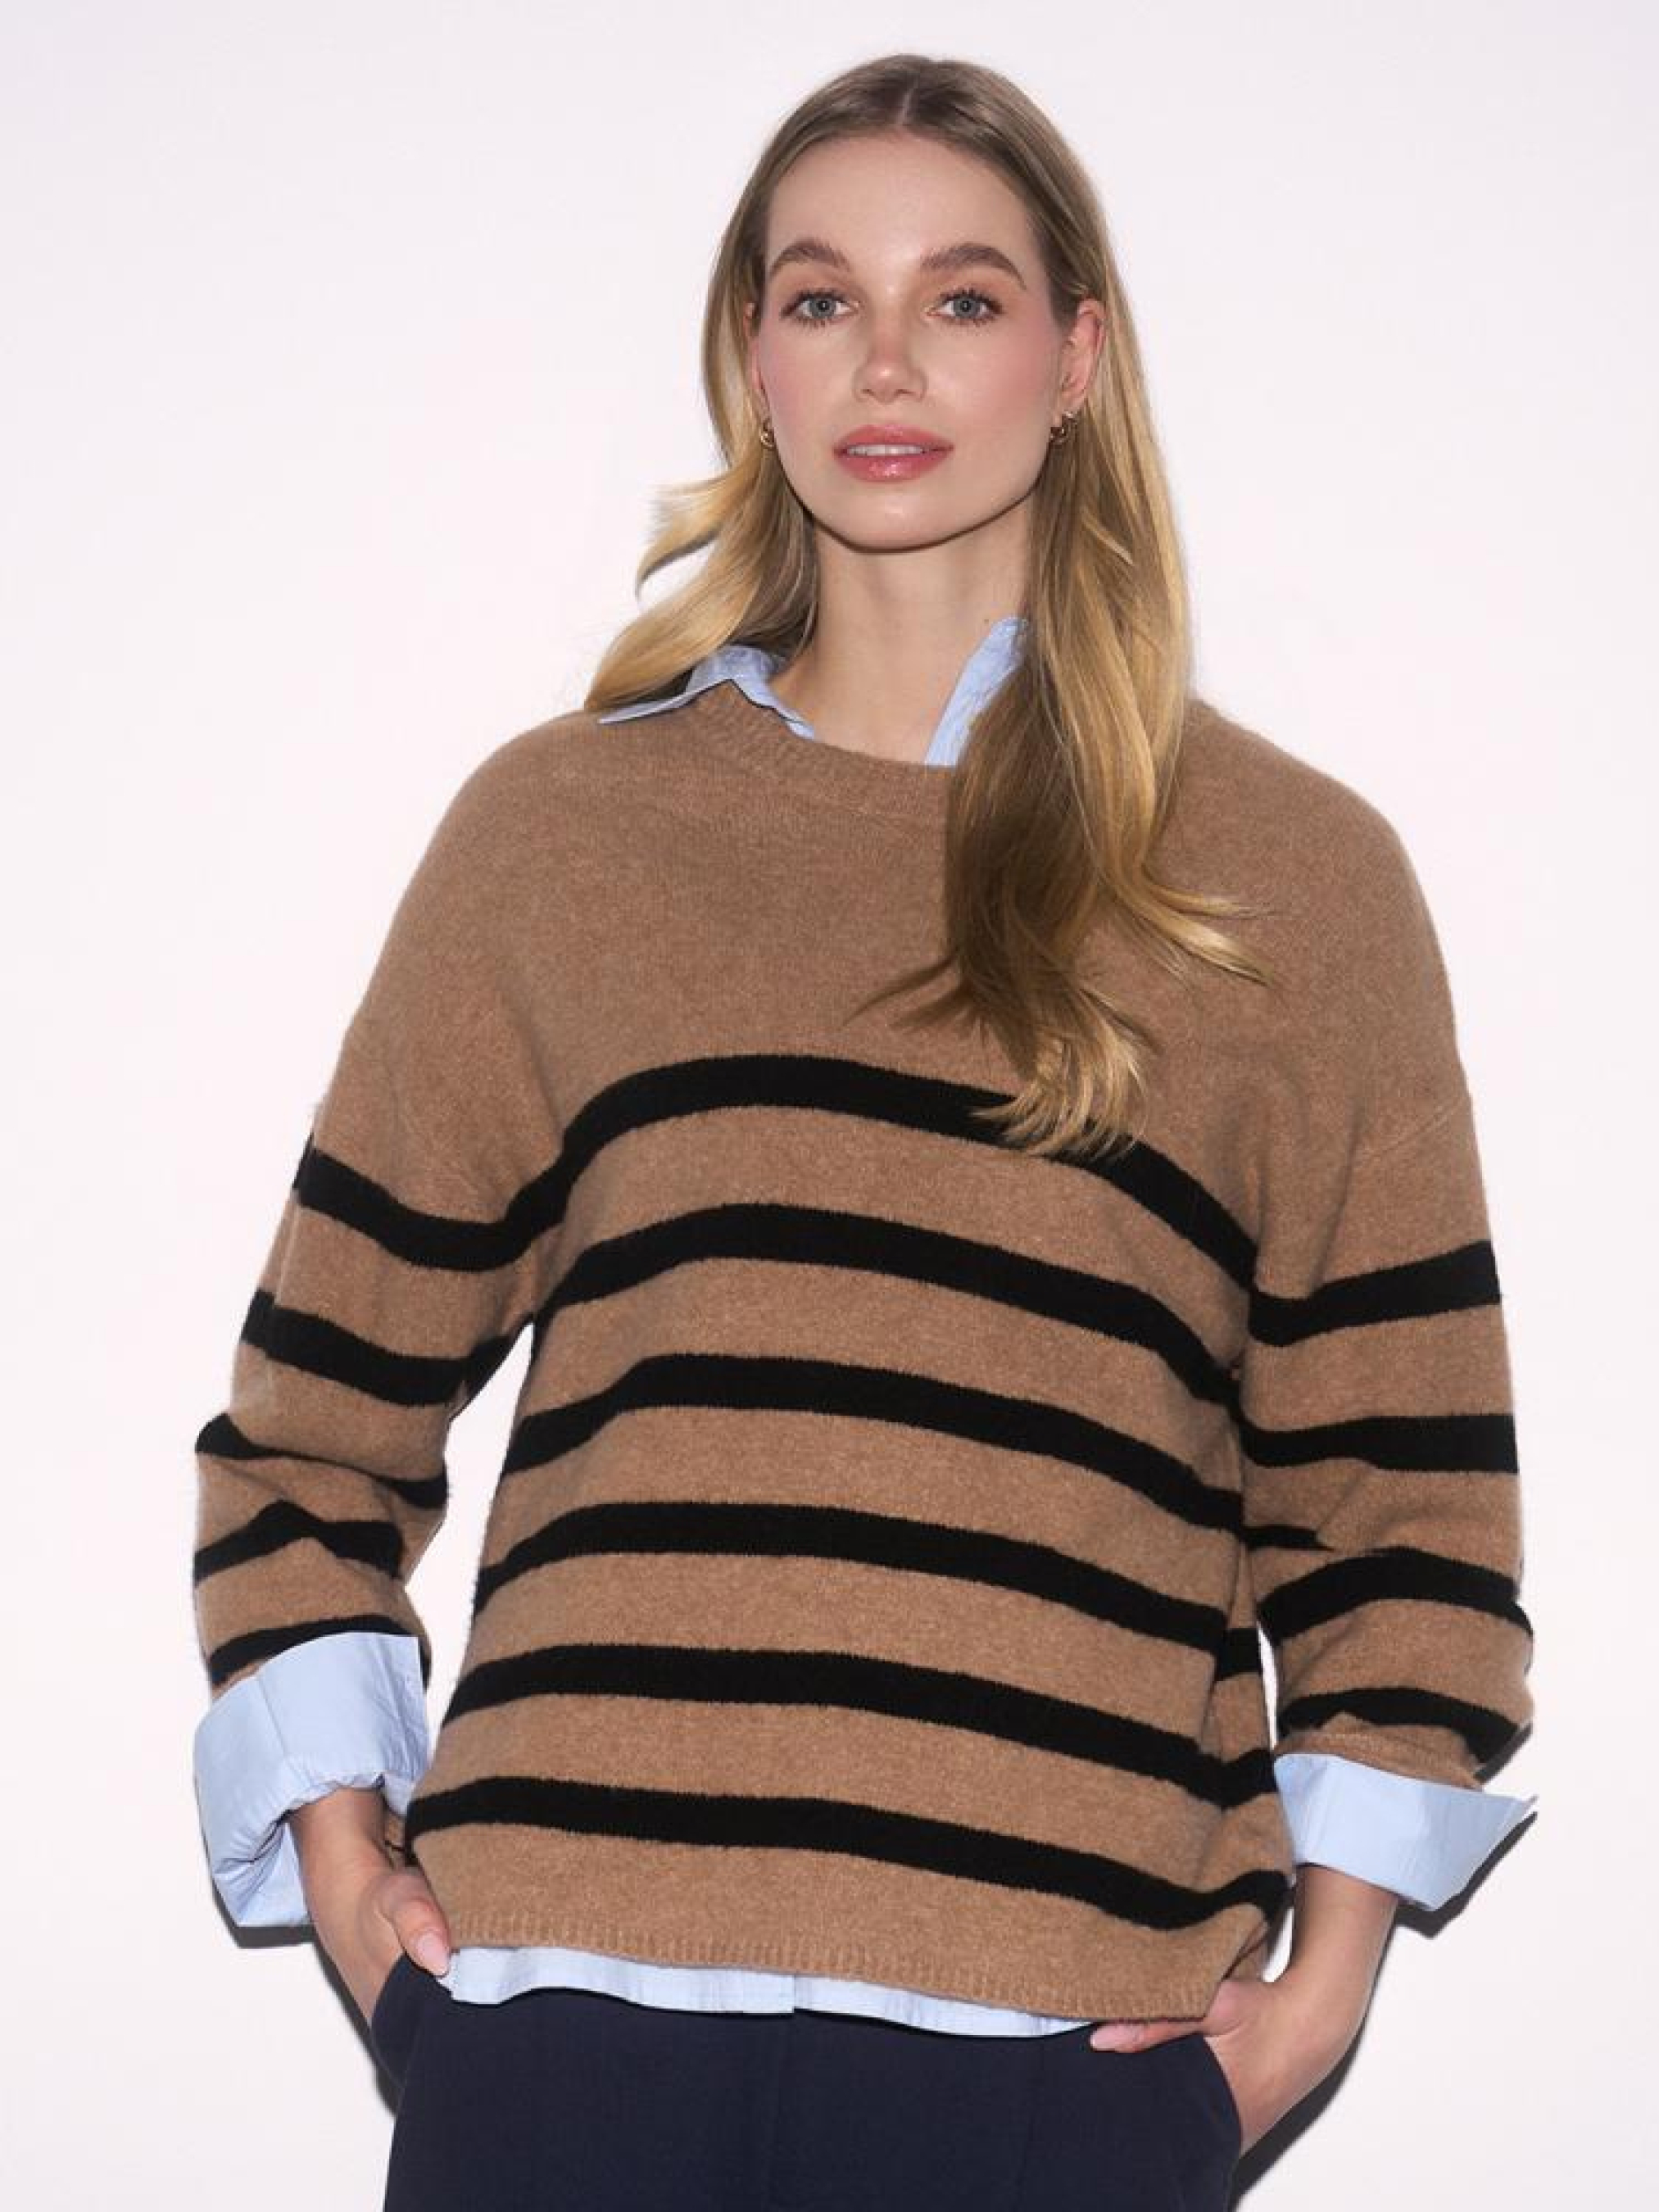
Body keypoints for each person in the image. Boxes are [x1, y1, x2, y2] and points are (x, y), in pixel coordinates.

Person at [190, 50, 1537, 2212]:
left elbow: (1404, 1501)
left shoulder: (1288, 882)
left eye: (962, 297)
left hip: (1052, 2068)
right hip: (564, 2046)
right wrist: (357, 1884)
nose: (886, 359)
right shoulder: (563, 836)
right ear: (753, 354)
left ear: (1075, 356)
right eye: (821, 297)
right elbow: (311, 1429)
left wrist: (1319, 1988)